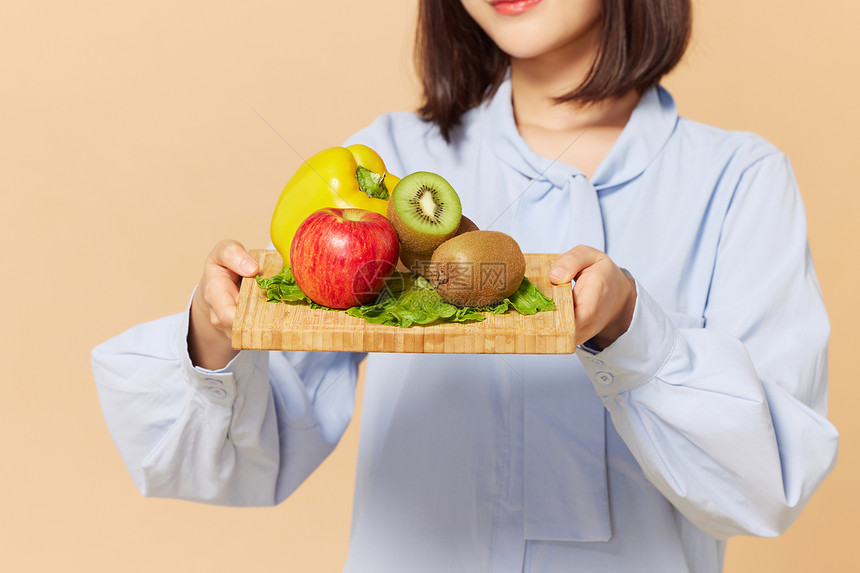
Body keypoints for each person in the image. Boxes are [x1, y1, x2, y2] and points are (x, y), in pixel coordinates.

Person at [92, 0, 839, 571]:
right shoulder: (382, 163)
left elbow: (767, 484)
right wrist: (214, 335)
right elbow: (229, 457)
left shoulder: (738, 180)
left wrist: (633, 331)